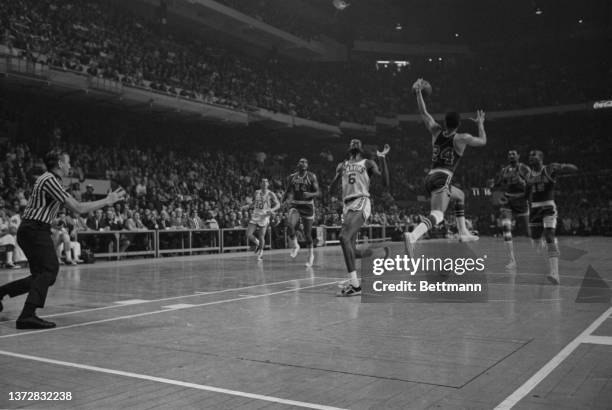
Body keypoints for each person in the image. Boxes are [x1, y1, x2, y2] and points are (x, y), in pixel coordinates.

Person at [0, 151, 125, 329]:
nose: (70, 166)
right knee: (49, 271)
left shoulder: (50, 180)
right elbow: (79, 208)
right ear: (59, 163)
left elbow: (39, 208)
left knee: (40, 276)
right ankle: (27, 315)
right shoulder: (50, 180)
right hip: (34, 230)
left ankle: (2, 293)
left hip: (33, 228)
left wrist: (55, 220)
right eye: (68, 163)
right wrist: (107, 200)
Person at [404, 78, 486, 257]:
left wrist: (418, 93)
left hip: (430, 177)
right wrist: (480, 124)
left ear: (445, 122)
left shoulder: (436, 130)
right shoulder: (461, 138)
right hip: (443, 178)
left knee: (460, 196)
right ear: (458, 124)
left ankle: (463, 232)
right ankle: (412, 236)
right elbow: (483, 141)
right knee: (438, 215)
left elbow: (424, 112)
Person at [328, 139, 390, 296]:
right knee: (352, 251)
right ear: (349, 147)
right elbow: (330, 190)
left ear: (361, 148)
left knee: (343, 237)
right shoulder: (342, 165)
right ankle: (382, 253)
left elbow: (385, 182)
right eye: (352, 142)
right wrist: (337, 176)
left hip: (361, 200)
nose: (354, 143)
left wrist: (382, 158)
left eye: (357, 142)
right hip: (347, 206)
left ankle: (355, 285)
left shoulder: (367, 163)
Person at [525, 150, 577, 284]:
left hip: (548, 207)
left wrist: (564, 167)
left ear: (541, 158)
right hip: (534, 208)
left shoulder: (549, 169)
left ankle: (555, 273)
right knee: (536, 241)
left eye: (534, 155)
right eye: (530, 156)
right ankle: (551, 245)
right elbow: (526, 193)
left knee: (549, 236)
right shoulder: (528, 174)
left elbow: (573, 168)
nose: (531, 157)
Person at [492, 150, 531, 269]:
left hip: (521, 201)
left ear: (518, 156)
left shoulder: (524, 168)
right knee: (506, 228)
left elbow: (531, 183)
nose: (511, 155)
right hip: (508, 202)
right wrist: (495, 188)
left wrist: (524, 187)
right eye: (509, 154)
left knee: (529, 232)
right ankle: (512, 260)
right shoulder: (504, 170)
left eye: (513, 154)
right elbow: (499, 184)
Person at [284, 158, 321, 267]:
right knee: (289, 225)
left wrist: (310, 194)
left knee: (307, 234)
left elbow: (318, 192)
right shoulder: (291, 177)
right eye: (301, 161)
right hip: (295, 204)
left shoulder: (311, 176)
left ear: (307, 165)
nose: (303, 163)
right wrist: (283, 201)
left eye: (305, 162)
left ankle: (310, 256)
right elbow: (287, 191)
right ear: (297, 164)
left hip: (307, 206)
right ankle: (296, 245)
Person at [242, 178, 280, 261]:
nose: (264, 184)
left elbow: (278, 204)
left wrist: (272, 210)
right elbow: (254, 202)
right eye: (262, 182)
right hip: (255, 215)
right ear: (260, 184)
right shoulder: (256, 192)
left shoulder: (270, 194)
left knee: (261, 235)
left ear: (268, 184)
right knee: (248, 234)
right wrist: (248, 206)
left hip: (264, 216)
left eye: (265, 182)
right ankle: (258, 243)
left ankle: (261, 253)